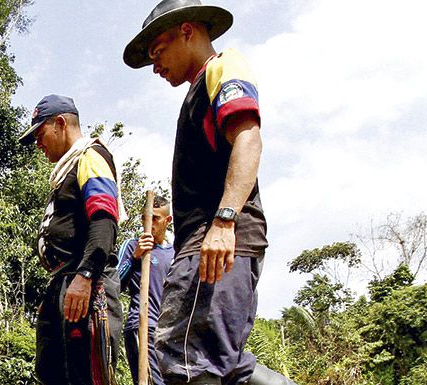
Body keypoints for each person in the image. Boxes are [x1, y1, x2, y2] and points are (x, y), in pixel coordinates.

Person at [123, 1, 295, 384]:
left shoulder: (223, 66)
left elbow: (249, 139)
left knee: (185, 358)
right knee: (222, 364)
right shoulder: (197, 91)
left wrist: (224, 221)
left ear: (187, 31)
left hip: (215, 240)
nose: (155, 66)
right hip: (205, 241)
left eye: (158, 51)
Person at [19, 94, 125, 385]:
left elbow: (104, 219)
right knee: (52, 373)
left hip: (86, 280)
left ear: (61, 123)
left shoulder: (90, 157)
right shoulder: (65, 170)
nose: (38, 144)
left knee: (85, 374)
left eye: (40, 134)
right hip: (63, 281)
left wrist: (86, 274)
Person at [116, 195, 174, 385]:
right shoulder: (132, 245)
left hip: (169, 332)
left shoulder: (175, 253)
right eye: (144, 218)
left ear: (167, 221)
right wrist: (135, 256)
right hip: (142, 326)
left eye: (155, 218)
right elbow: (114, 283)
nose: (148, 223)